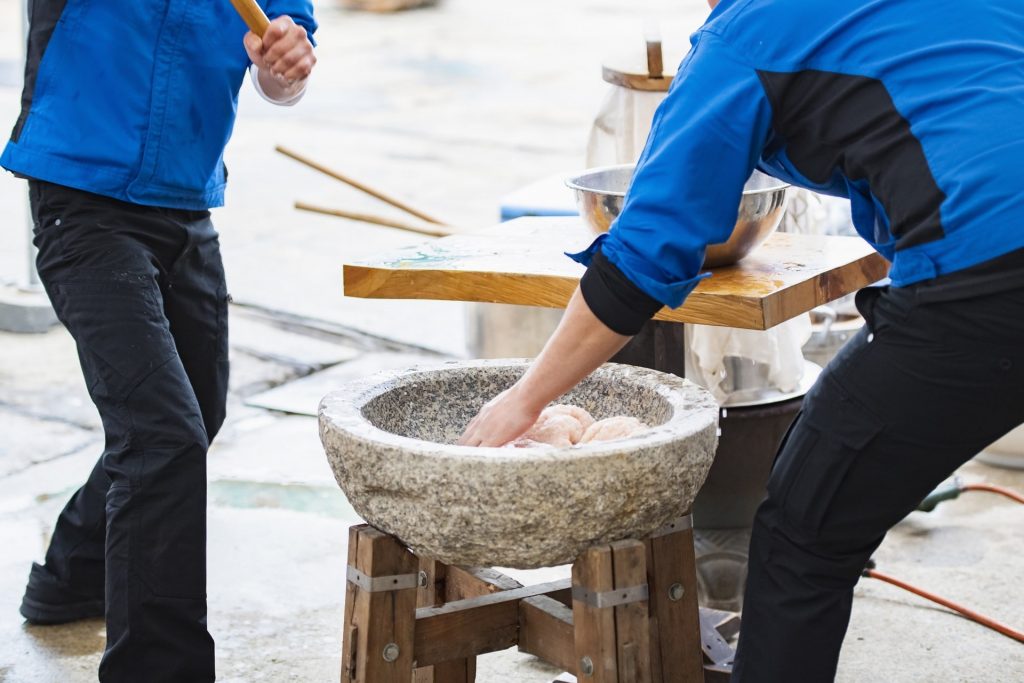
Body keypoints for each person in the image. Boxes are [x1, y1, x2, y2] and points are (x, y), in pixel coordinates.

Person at [460, 0, 1024, 680]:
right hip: (989, 253)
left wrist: (524, 399)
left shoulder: (739, 40)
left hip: (983, 280)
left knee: (805, 529)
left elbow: (641, 259)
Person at [2, 2, 317, 680]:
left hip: (184, 202)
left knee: (195, 415)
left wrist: (283, 67)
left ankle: (70, 578)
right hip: (81, 197)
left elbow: (281, 71)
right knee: (161, 436)